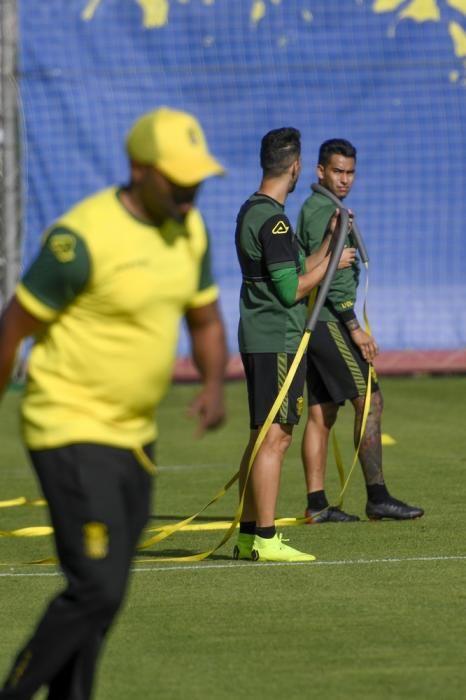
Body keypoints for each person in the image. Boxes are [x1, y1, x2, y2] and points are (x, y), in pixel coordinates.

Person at [0, 106, 228, 699]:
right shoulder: (81, 240)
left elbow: (203, 317)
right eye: (178, 179)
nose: (189, 191)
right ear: (138, 169)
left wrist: (210, 384)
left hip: (135, 436)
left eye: (197, 179)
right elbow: (12, 328)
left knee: (105, 595)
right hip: (68, 427)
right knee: (97, 588)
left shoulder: (191, 230)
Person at [233, 127, 356, 562]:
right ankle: (266, 537)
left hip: (257, 334)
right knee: (277, 437)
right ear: (297, 166)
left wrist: (328, 245)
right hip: (277, 338)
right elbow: (291, 290)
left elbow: (291, 266)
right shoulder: (277, 220)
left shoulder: (253, 209)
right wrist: (331, 268)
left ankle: (249, 535)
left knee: (261, 435)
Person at [296, 138, 424, 523]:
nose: (344, 179)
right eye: (337, 171)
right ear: (320, 171)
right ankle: (378, 497)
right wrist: (355, 328)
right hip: (329, 320)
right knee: (370, 400)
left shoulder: (323, 207)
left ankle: (317, 506)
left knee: (322, 414)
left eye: (350, 172)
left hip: (314, 320)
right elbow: (332, 277)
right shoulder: (322, 210)